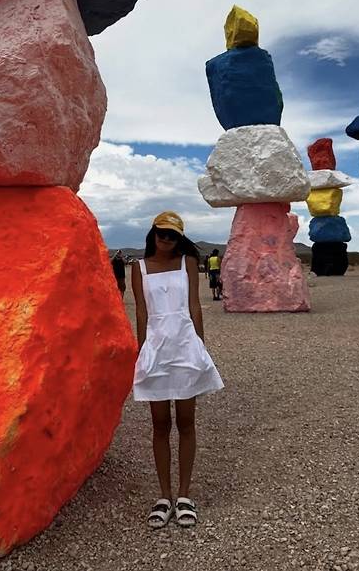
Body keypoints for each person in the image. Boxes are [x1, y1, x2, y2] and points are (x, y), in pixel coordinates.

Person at [131, 211, 224, 530]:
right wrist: (142, 353)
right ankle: (164, 496)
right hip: (156, 349)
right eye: (162, 233)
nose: (166, 239)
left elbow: (194, 307)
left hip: (184, 347)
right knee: (159, 424)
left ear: (180, 239)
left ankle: (184, 495)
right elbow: (141, 312)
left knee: (186, 421)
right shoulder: (139, 267)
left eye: (173, 235)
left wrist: (201, 347)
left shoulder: (188, 263)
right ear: (153, 233)